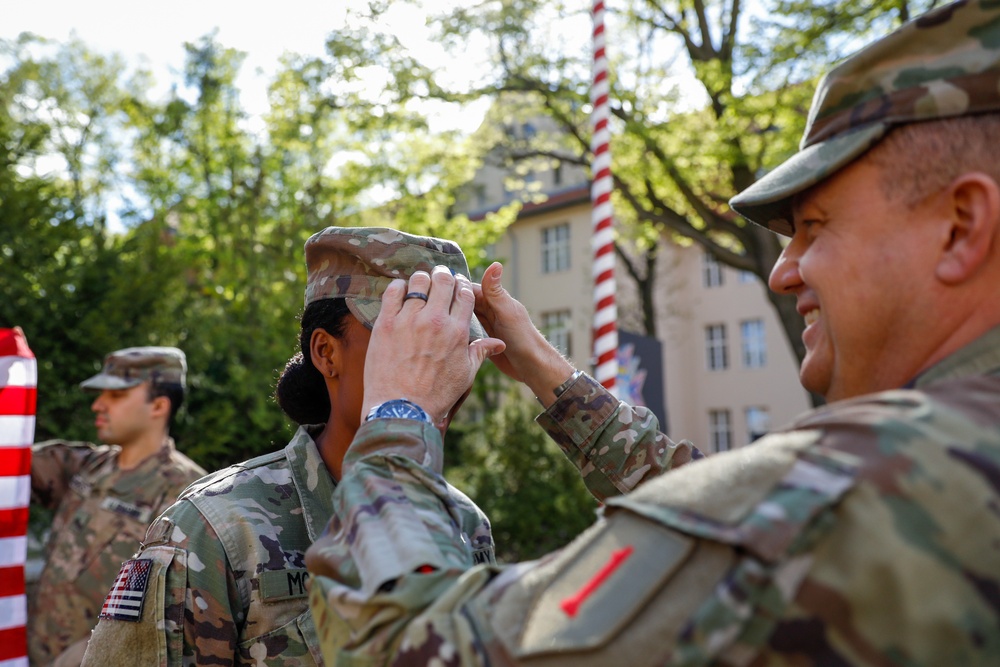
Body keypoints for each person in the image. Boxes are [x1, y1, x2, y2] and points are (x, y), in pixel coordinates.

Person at [305, 1, 1000, 664]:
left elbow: (398, 645)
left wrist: (397, 418)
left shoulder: (861, 491)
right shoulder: (941, 465)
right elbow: (712, 504)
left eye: (815, 228)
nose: (785, 272)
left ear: (961, 223)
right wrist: (553, 375)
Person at [80, 226, 687, 667]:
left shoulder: (461, 521)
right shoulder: (212, 527)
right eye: (407, 337)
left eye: (452, 340)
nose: (440, 363)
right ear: (326, 353)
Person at [29, 346, 206, 667]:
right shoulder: (88, 467)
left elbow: (178, 616)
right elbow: (13, 464)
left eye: (116, 395)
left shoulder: (189, 496)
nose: (98, 405)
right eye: (101, 395)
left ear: (158, 405)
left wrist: (94, 653)